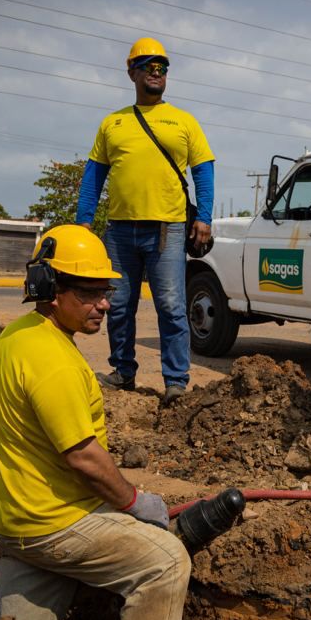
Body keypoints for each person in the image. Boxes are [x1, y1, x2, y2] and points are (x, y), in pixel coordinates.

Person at [0, 224, 191, 620]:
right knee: (167, 563)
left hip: (11, 521)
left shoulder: (18, 335)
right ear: (51, 290)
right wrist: (134, 502)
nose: (104, 304)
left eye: (105, 292)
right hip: (52, 522)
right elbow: (83, 457)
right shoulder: (54, 361)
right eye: (89, 293)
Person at [76, 37, 216, 407]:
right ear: (132, 72)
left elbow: (203, 171)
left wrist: (204, 217)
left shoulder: (183, 121)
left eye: (162, 67)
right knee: (119, 305)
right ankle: (123, 372)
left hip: (167, 230)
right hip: (120, 231)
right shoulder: (113, 123)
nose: (156, 72)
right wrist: (83, 222)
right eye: (148, 66)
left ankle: (176, 381)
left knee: (171, 306)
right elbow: (94, 175)